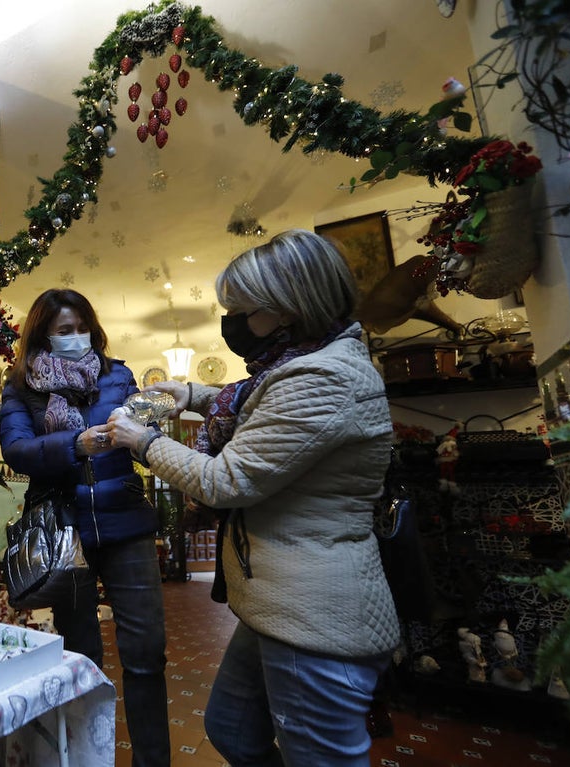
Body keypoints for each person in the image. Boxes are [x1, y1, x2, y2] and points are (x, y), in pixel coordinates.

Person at [107, 229, 400, 766]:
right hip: (279, 605)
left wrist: (143, 441)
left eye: (243, 310)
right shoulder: (301, 363)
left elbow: (226, 481)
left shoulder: (326, 376)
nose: (233, 323)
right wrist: (190, 394)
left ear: (287, 310)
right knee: (233, 730)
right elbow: (261, 403)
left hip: (315, 615)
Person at [0, 288, 170, 767]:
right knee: (81, 657)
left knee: (145, 652)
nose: (76, 338)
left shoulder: (118, 376)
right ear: (44, 336)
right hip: (63, 533)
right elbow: (16, 450)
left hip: (126, 523)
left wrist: (151, 426)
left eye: (82, 328)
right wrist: (75, 444)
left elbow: (143, 433)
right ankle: (85, 758)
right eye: (64, 331)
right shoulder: (21, 387)